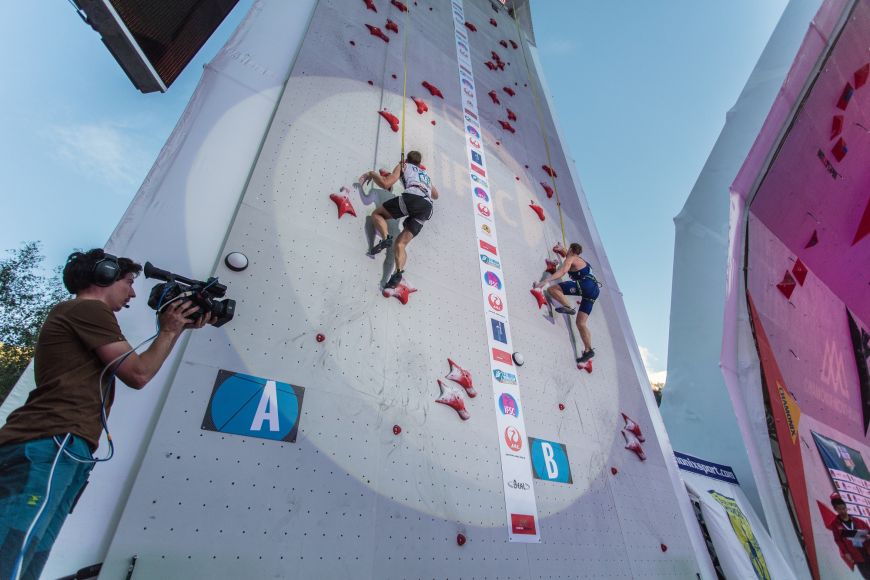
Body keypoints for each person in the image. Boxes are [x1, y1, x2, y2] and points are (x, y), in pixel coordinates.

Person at [0, 249, 212, 579]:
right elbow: (139, 373)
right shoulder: (87, 310)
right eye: (128, 282)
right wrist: (169, 331)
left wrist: (174, 330)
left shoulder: (78, 315)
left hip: (64, 446)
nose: (132, 292)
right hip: (52, 441)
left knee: (29, 555)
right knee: (15, 549)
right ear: (103, 275)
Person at [359, 150, 439, 289]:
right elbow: (436, 195)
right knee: (401, 244)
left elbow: (386, 183)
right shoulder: (425, 175)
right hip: (427, 207)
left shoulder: (404, 165)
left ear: (407, 159)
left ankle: (385, 238)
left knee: (377, 215)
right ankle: (397, 273)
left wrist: (372, 174)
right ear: (419, 163)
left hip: (413, 197)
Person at [534, 242, 600, 364]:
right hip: (594, 291)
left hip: (586, 285)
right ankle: (588, 350)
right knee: (581, 323)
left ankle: (568, 306)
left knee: (552, 289)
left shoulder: (571, 257)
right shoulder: (580, 260)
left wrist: (546, 280)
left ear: (571, 250)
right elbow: (569, 258)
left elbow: (564, 270)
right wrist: (562, 250)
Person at [829, 493, 870, 577]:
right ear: (835, 509)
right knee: (867, 575)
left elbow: (868, 531)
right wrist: (846, 553)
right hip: (856, 554)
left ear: (846, 507)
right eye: (839, 509)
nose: (843, 511)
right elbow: (838, 540)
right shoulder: (835, 524)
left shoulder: (857, 520)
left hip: (867, 550)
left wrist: (868, 537)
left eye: (844, 508)